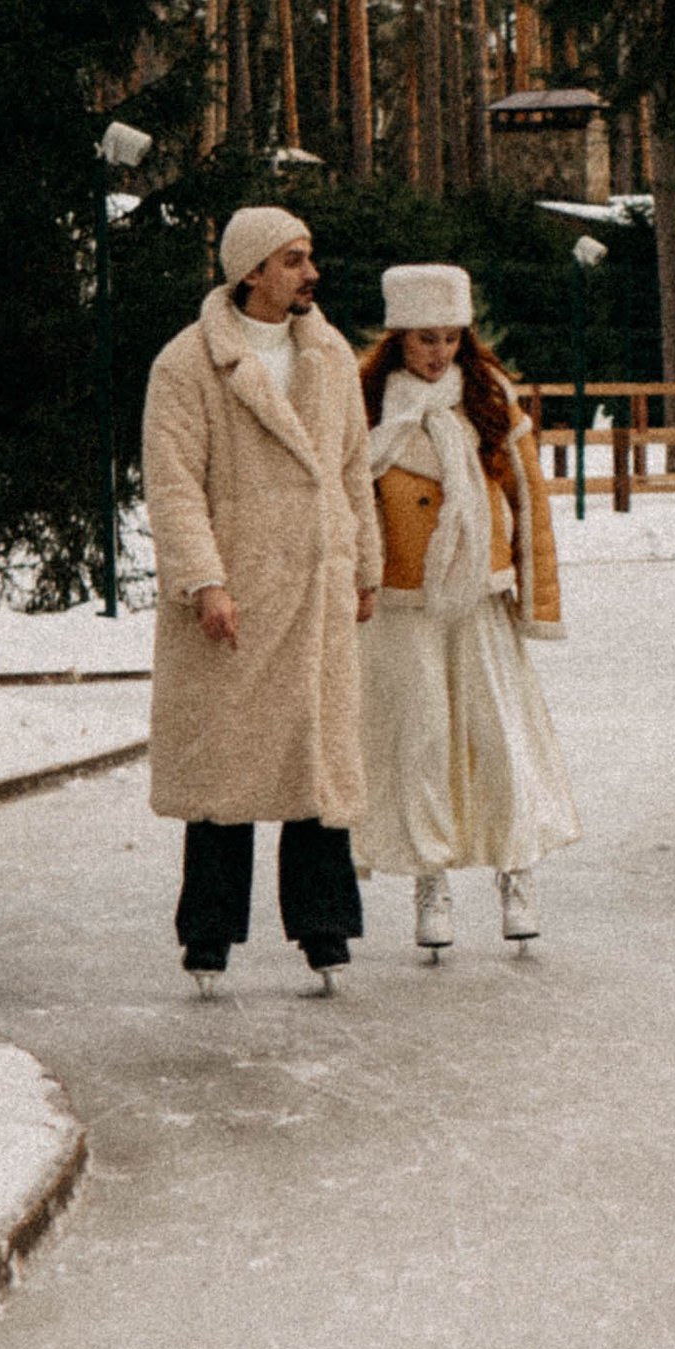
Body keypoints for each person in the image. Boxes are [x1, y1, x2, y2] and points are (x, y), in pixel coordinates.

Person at [142, 203, 380, 994]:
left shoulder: (331, 354)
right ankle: (208, 939)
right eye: (293, 259)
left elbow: (352, 469)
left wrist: (363, 566)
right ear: (250, 271)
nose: (311, 273)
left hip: (315, 589)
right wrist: (204, 580)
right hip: (237, 596)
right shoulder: (189, 364)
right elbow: (174, 487)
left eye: (310, 257)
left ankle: (325, 933)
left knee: (313, 764)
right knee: (226, 772)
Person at [357, 263, 578, 954]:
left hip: (478, 600)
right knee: (421, 744)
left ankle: (518, 875)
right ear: (399, 337)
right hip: (402, 603)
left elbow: (529, 502)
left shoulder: (489, 401)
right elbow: (347, 508)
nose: (440, 352)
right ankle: (431, 881)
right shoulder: (366, 407)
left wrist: (538, 600)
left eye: (452, 337)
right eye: (426, 338)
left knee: (500, 741)